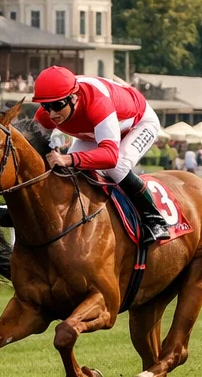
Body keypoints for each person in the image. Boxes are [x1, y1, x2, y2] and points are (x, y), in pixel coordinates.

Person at [29, 65, 169, 244]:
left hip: (138, 123)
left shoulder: (96, 102)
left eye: (57, 105)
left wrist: (68, 158)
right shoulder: (47, 114)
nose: (52, 113)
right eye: (46, 106)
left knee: (117, 167)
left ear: (74, 97)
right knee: (68, 173)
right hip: (96, 131)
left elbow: (110, 157)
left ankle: (154, 219)